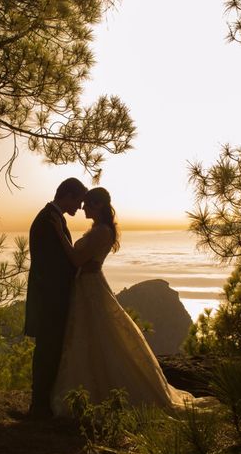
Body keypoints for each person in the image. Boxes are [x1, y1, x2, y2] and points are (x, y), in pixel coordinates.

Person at [49, 187, 209, 416]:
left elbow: (76, 259)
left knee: (102, 336)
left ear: (98, 205)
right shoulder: (99, 230)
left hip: (91, 287)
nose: (82, 208)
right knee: (92, 336)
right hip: (87, 286)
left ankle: (107, 391)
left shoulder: (102, 232)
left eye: (87, 204)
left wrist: (60, 235)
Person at [24, 177, 88, 419]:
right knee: (47, 351)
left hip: (51, 298)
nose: (80, 207)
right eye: (79, 201)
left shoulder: (53, 218)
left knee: (49, 350)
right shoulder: (47, 221)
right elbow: (53, 266)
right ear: (68, 195)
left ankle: (42, 403)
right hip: (50, 300)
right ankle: (39, 406)